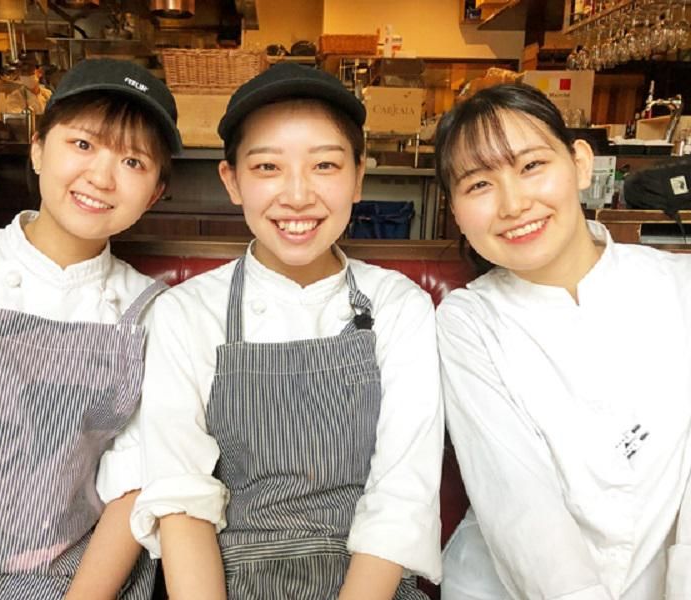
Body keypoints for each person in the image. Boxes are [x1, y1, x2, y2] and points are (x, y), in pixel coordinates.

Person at [130, 62, 443, 600]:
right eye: (268, 167)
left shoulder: (398, 306)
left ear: (358, 177)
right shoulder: (187, 312)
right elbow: (182, 500)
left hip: (367, 582)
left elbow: (401, 496)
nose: (297, 196)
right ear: (232, 180)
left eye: (324, 165)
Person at [0, 58, 182, 599]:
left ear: (155, 192)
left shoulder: (156, 314)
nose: (101, 177)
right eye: (82, 144)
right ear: (38, 149)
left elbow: (135, 485)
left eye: (133, 161)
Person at [433, 83, 691, 600]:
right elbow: (520, 505)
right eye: (479, 184)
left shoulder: (679, 287)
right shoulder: (466, 322)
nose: (513, 204)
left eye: (531, 165)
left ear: (579, 163)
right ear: (455, 210)